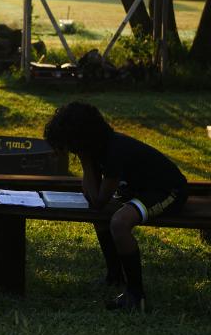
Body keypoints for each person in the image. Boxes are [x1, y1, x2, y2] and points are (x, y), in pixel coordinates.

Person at [43, 101, 187, 312]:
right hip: (140, 190)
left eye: (70, 145)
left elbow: (98, 198)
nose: (70, 151)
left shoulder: (113, 151)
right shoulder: (98, 148)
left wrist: (85, 162)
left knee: (119, 223)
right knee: (100, 216)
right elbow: (96, 201)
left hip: (168, 191)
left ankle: (136, 295)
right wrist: (88, 163)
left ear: (80, 139)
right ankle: (114, 276)